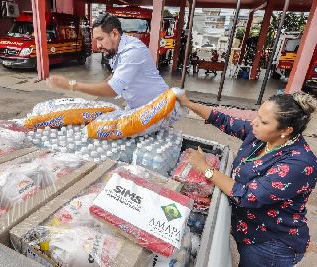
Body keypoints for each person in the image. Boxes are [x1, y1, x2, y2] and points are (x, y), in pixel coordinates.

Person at [177, 92, 317, 267]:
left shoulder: (299, 163)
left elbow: (247, 196)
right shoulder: (264, 137)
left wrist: (205, 168)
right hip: (247, 229)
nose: (254, 123)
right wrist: (188, 104)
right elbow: (225, 121)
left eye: (264, 121)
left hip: (270, 242)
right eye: (257, 115)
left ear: (286, 130)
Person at [46, 12, 169, 110]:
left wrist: (70, 85)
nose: (98, 46)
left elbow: (112, 90)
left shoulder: (133, 51)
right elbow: (111, 81)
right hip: (139, 108)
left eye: (100, 39)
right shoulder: (116, 50)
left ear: (114, 34)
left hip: (158, 108)